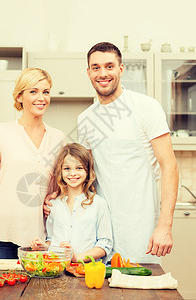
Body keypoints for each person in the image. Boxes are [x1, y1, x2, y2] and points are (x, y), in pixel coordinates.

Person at [44, 42, 179, 264]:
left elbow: (169, 166)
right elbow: (86, 173)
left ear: (121, 69)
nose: (103, 73)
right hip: (96, 230)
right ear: (88, 72)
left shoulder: (146, 107)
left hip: (140, 226)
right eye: (95, 67)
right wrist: (59, 197)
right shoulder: (85, 119)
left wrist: (164, 225)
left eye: (109, 66)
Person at [0, 68, 66, 260]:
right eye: (33, 91)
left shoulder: (59, 139)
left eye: (46, 92)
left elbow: (60, 187)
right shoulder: (0, 133)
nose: (41, 98)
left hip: (39, 241)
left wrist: (54, 197)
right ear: (19, 96)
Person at [31, 143, 113, 263]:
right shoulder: (53, 204)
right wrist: (43, 247)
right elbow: (51, 240)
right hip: (57, 270)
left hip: (86, 272)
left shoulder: (99, 204)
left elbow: (105, 245)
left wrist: (77, 258)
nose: (73, 173)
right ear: (61, 171)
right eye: (67, 168)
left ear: (88, 170)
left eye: (79, 168)